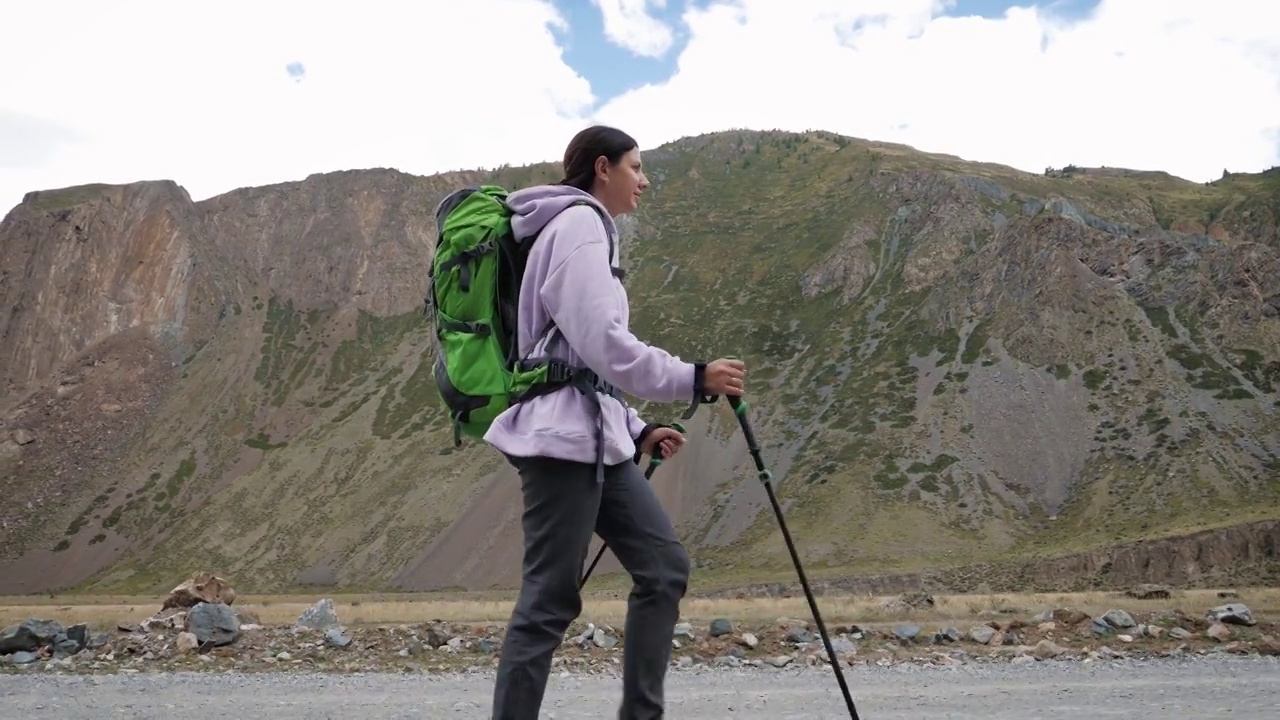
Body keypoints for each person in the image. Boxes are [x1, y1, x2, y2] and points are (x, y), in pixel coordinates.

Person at [482, 125, 747, 720]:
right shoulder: (578, 224)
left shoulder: (582, 230)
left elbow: (576, 360)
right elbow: (604, 343)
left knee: (663, 569)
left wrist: (634, 429)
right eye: (636, 167)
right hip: (559, 442)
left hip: (595, 437)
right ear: (603, 168)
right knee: (549, 599)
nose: (644, 181)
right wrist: (694, 375)